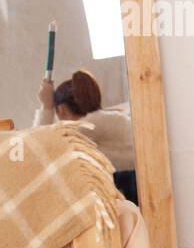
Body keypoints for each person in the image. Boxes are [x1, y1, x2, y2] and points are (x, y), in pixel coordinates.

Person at [36, 69, 138, 203]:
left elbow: (40, 146)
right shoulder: (116, 121)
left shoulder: (84, 129)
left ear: (61, 109)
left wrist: (46, 107)